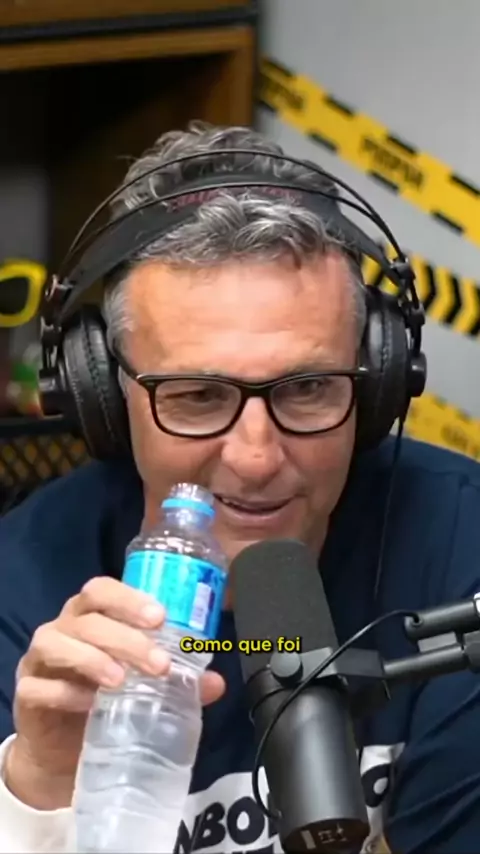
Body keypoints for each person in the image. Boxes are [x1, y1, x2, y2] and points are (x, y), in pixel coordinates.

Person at [1, 121, 480, 854]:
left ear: (380, 382)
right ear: (105, 398)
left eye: (309, 388)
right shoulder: (17, 589)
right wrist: (38, 792)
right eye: (197, 396)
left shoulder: (461, 541)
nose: (256, 459)